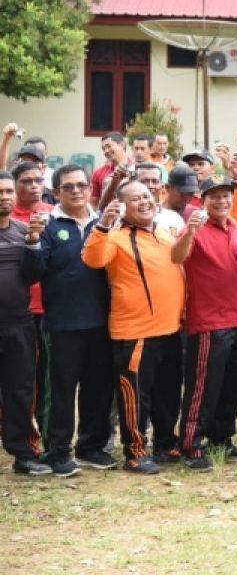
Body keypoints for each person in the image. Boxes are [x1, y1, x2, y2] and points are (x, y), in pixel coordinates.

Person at [82, 180, 186, 474]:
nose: (144, 202)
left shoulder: (163, 232)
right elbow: (92, 259)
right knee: (135, 395)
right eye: (135, 199)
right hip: (137, 331)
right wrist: (103, 224)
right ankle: (135, 452)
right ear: (122, 206)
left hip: (170, 328)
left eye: (147, 196)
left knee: (168, 393)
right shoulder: (114, 237)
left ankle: (166, 443)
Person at [37, 165, 114, 476]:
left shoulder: (103, 223)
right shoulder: (48, 226)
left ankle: (91, 446)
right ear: (57, 192)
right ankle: (57, 451)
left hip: (101, 322)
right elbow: (34, 272)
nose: (77, 191)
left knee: (98, 389)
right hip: (63, 324)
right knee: (61, 392)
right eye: (68, 187)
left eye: (82, 185)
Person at [171, 177, 237, 471]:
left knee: (233, 385)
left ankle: (222, 438)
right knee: (203, 387)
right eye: (214, 196)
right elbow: (176, 256)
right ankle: (191, 442)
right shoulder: (195, 227)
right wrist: (189, 233)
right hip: (208, 322)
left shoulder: (235, 229)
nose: (221, 201)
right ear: (202, 199)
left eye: (226, 196)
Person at [0, 170, 49, 475]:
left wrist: (33, 243)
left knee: (20, 390)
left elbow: (33, 277)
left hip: (19, 324)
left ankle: (24, 454)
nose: (4, 197)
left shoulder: (23, 232)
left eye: (7, 192)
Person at [90, 131, 127, 208]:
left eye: (109, 146)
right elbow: (93, 202)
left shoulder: (135, 168)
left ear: (122, 145)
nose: (106, 151)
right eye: (103, 149)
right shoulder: (98, 173)